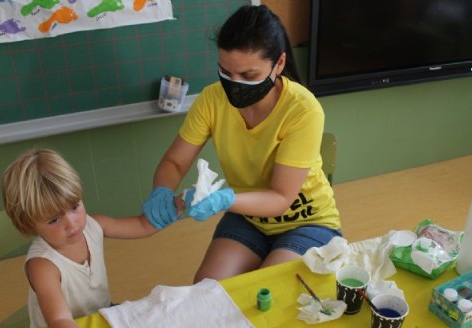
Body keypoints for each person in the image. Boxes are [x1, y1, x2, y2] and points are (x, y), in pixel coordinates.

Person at [142, 5, 342, 282]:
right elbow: (175, 162)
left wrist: (224, 199)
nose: (234, 84)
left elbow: (280, 198)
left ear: (279, 64)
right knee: (207, 290)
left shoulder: (302, 109)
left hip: (307, 221)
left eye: (248, 76)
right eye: (225, 72)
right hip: (248, 217)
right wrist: (162, 190)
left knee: (265, 291)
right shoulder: (211, 100)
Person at [1, 148, 172, 328]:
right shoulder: (43, 265)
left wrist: (176, 207)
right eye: (54, 220)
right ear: (28, 224)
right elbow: (60, 322)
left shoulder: (93, 224)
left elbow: (142, 226)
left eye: (74, 206)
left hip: (98, 317)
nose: (72, 223)